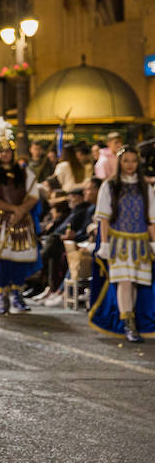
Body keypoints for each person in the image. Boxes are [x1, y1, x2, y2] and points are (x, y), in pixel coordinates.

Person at [89, 147, 155, 343]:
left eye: (133, 161)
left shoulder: (145, 187)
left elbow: (151, 219)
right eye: (126, 161)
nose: (130, 165)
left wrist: (154, 242)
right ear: (119, 163)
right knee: (124, 280)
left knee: (135, 282)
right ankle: (128, 323)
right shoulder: (109, 186)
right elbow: (104, 218)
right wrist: (106, 244)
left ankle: (130, 318)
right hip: (119, 242)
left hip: (141, 242)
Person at [0, 119, 41, 315]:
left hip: (22, 221)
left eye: (8, 151)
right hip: (1, 222)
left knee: (20, 259)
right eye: (2, 152)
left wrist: (22, 209)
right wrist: (15, 209)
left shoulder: (24, 172)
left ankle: (17, 295)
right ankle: (3, 296)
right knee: (3, 260)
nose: (5, 155)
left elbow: (33, 195)